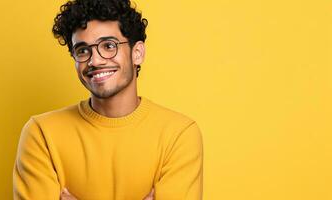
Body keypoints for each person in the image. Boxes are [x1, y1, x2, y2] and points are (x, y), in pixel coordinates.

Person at [12, 0, 203, 199]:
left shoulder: (179, 135)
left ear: (137, 53)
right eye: (83, 50)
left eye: (109, 46)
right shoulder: (41, 133)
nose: (95, 61)